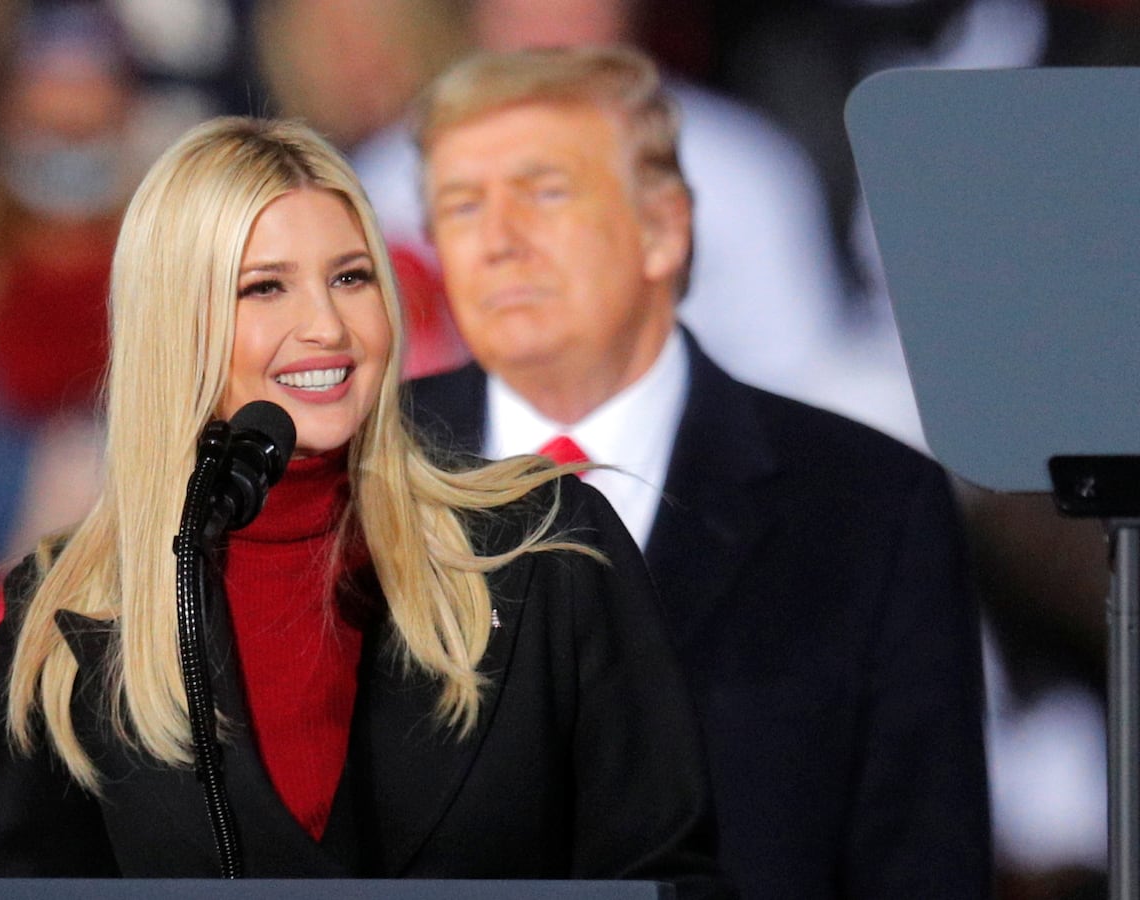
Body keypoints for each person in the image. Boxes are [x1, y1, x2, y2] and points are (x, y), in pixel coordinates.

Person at [0, 116, 728, 893]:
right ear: (176, 325)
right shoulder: (70, 617)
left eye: (351, 277)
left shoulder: (546, 553)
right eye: (264, 287)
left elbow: (666, 878)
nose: (328, 327)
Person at [402, 46, 990, 899]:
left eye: (545, 191)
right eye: (461, 206)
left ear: (664, 228)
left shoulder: (868, 508)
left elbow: (923, 863)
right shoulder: (362, 477)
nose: (498, 241)